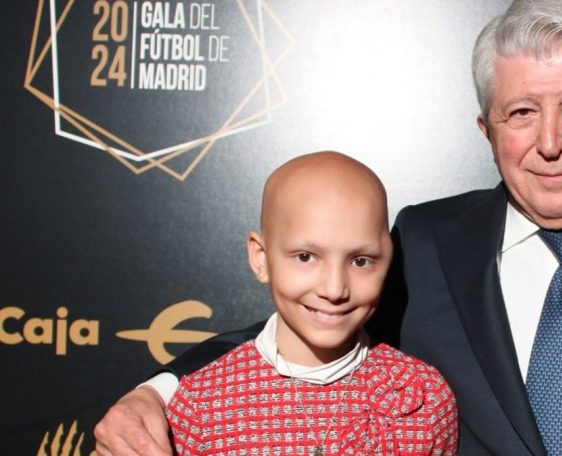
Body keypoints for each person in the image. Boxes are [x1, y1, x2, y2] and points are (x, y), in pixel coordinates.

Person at [95, 0, 562, 454]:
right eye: (522, 113)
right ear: (486, 129)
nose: (551, 142)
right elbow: (316, 315)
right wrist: (157, 390)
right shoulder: (429, 240)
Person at [159, 151, 458, 455]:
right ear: (261, 258)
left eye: (360, 261)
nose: (334, 289)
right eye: (305, 257)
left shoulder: (424, 396)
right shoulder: (200, 406)